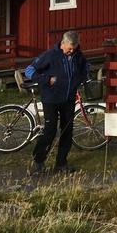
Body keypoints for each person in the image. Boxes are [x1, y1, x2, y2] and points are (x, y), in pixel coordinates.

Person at [24, 30, 90, 174]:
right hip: (51, 99)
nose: (72, 51)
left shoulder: (78, 55)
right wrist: (46, 80)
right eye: (70, 48)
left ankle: (61, 164)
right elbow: (29, 70)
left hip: (69, 98)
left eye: (75, 48)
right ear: (63, 43)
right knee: (50, 131)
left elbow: (85, 67)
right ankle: (38, 161)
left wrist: (83, 78)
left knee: (67, 131)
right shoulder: (50, 55)